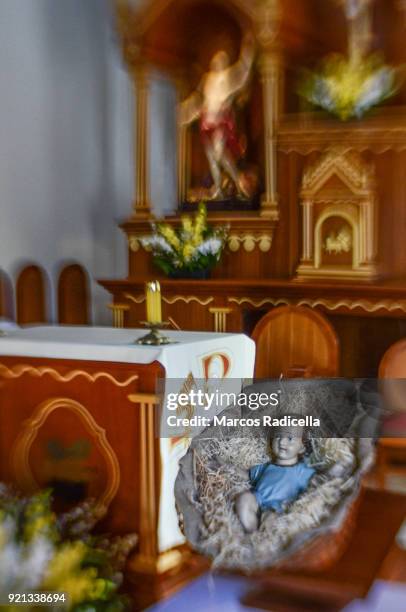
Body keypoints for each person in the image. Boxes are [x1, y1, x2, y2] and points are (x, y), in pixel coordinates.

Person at [180, 33, 255, 200]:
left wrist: (248, 52)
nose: (217, 61)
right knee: (213, 159)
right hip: (207, 121)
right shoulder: (207, 79)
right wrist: (186, 112)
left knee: (220, 155)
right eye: (216, 59)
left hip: (220, 122)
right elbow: (198, 100)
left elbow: (242, 72)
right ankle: (221, 188)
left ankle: (235, 182)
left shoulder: (227, 77)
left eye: (221, 59)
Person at [235, 422, 315, 533]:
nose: (282, 441)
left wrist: (337, 469)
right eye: (278, 436)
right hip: (257, 501)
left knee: (271, 520)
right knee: (244, 499)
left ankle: (263, 539)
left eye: (290, 438)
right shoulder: (266, 467)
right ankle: (251, 533)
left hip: (278, 508)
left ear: (302, 447)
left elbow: (320, 479)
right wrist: (225, 466)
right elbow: (246, 474)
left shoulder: (300, 470)